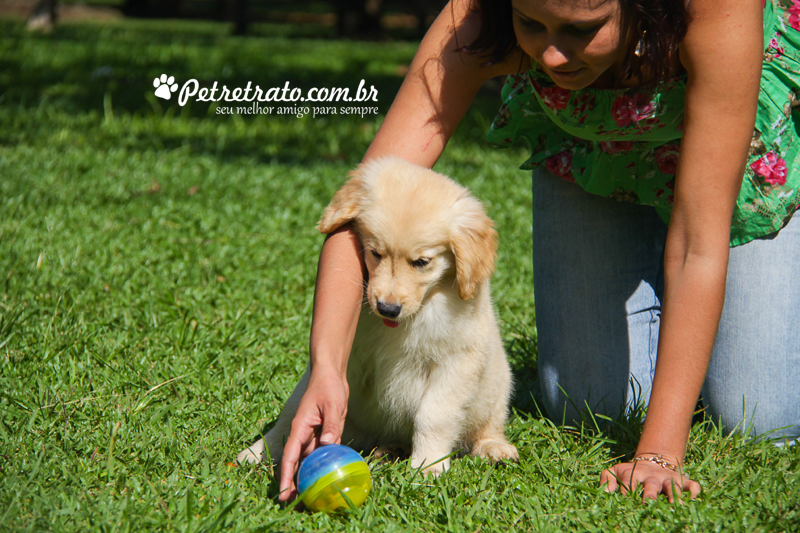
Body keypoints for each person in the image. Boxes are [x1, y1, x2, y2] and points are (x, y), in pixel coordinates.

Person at [274, 0, 799, 504]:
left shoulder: (713, 8)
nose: (550, 55)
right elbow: (359, 208)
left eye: (581, 29)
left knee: (759, 413)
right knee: (588, 405)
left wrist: (659, 454)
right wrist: (327, 366)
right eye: (531, 23)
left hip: (738, 166)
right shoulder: (479, 16)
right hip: (595, 152)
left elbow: (695, 247)